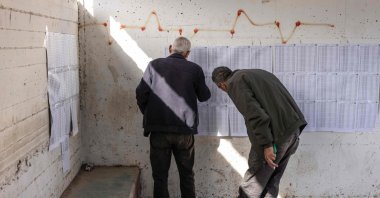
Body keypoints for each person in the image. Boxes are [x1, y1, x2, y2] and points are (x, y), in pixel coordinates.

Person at [212, 67, 307, 198]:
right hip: (292, 131)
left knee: (253, 183)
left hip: (275, 137)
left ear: (221, 85)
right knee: (271, 183)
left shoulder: (235, 83)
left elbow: (256, 115)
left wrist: (267, 145)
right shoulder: (257, 74)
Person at [136, 37, 211, 198]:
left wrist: (149, 114)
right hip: (184, 132)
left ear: (171, 48)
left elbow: (140, 93)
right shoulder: (195, 69)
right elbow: (204, 96)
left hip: (158, 130)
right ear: (187, 53)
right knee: (187, 174)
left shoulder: (154, 65)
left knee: (160, 176)